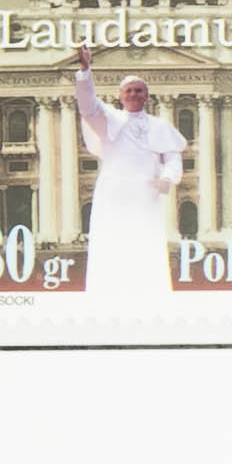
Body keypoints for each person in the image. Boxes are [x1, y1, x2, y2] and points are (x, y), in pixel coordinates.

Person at [67, 57, 191, 292]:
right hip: (114, 192)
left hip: (145, 193)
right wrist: (85, 71)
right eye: (129, 91)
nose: (134, 94)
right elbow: (87, 105)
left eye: (139, 91)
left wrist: (168, 178)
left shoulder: (159, 125)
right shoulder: (110, 118)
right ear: (120, 96)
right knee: (112, 244)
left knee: (146, 246)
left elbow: (173, 157)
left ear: (147, 97)